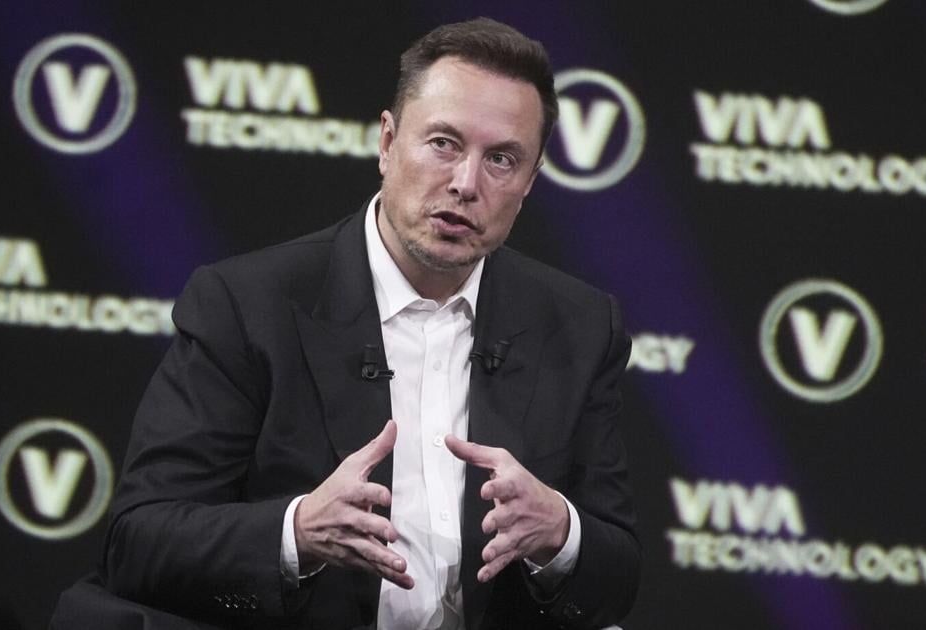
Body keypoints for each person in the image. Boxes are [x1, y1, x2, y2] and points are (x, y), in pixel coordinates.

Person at [52, 16, 638, 630]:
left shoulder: (579, 326)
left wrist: (560, 533)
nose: (466, 184)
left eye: (501, 159)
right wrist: (296, 533)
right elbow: (137, 542)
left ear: (530, 181)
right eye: (443, 143)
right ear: (387, 142)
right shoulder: (247, 305)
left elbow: (619, 574)